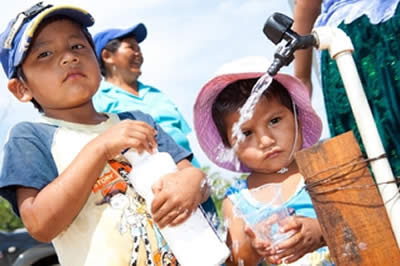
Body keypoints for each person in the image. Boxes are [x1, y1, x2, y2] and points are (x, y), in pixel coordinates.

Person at [0, 3, 209, 266]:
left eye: (77, 46)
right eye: (45, 53)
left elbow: (190, 173)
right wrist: (99, 148)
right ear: (21, 88)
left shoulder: (137, 120)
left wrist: (193, 181)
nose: (68, 58)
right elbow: (40, 225)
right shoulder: (30, 137)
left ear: (97, 63)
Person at [193, 56, 333, 265]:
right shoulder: (237, 200)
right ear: (231, 147)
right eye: (246, 133)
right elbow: (238, 260)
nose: (266, 140)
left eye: (275, 121)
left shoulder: (326, 169)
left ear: (298, 118)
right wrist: (253, 247)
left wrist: (321, 232)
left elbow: (365, 220)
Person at [92, 23, 217, 218]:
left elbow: (182, 137)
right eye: (131, 47)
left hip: (195, 187)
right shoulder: (99, 101)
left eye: (139, 49)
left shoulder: (157, 94)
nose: (138, 54)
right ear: (107, 56)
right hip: (156, 196)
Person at [292, 0, 400, 178]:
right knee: (378, 161)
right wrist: (302, 80)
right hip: (357, 42)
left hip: (369, 32)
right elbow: (307, 4)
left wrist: (302, 79)